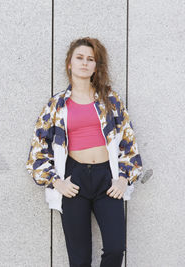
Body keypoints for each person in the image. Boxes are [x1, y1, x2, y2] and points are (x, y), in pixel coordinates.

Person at [26, 37, 142, 267]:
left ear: (96, 66)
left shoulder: (110, 100)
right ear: (69, 63)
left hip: (107, 179)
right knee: (79, 260)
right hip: (74, 179)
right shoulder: (56, 105)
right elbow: (37, 152)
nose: (84, 63)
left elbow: (128, 141)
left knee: (116, 248)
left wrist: (123, 179)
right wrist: (56, 182)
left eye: (91, 59)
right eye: (79, 58)